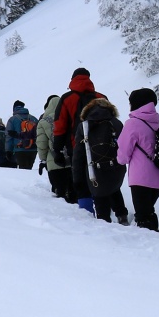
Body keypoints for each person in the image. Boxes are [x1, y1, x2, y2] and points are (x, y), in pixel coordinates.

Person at [116, 88, 159, 231]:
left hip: (141, 178)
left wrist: (119, 160)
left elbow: (123, 154)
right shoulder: (156, 122)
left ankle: (150, 246)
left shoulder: (133, 123)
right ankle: (156, 237)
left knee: (143, 216)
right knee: (148, 211)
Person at [77, 95, 131, 223]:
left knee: (99, 194)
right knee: (114, 189)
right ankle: (122, 216)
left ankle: (104, 222)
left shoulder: (84, 126)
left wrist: (78, 179)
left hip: (94, 168)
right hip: (116, 166)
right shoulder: (116, 123)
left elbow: (78, 154)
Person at [52, 68, 101, 206]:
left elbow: (60, 126)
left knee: (80, 180)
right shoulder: (100, 97)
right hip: (100, 146)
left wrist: (57, 150)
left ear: (73, 79)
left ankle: (86, 212)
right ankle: (105, 211)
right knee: (100, 179)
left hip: (76, 146)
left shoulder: (67, 98)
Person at [36, 94, 68, 199]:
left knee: (60, 195)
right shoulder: (69, 117)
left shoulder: (44, 121)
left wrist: (43, 159)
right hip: (72, 161)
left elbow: (42, 144)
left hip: (54, 163)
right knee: (74, 194)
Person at [5, 100, 39, 169]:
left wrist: (8, 150)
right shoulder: (33, 118)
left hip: (20, 149)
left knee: (23, 170)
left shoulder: (12, 120)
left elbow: (9, 136)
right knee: (29, 169)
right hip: (33, 148)